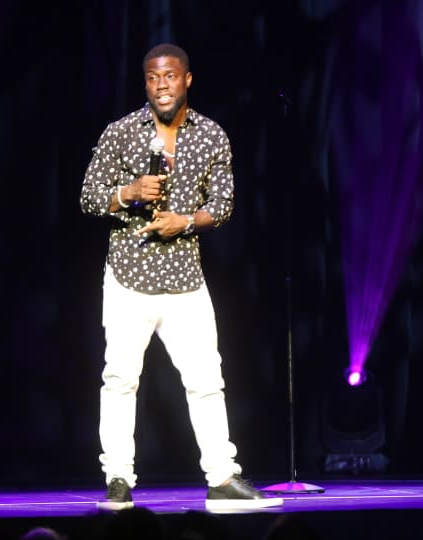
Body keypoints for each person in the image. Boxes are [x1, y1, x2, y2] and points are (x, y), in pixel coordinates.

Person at [79, 42, 283, 512]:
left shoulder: (211, 135)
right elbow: (88, 197)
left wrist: (185, 221)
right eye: (153, 78)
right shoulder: (120, 132)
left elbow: (223, 206)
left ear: (186, 79)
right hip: (128, 274)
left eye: (170, 76)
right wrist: (128, 192)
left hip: (185, 279)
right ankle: (118, 479)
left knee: (206, 380)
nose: (162, 86)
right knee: (120, 380)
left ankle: (222, 478)